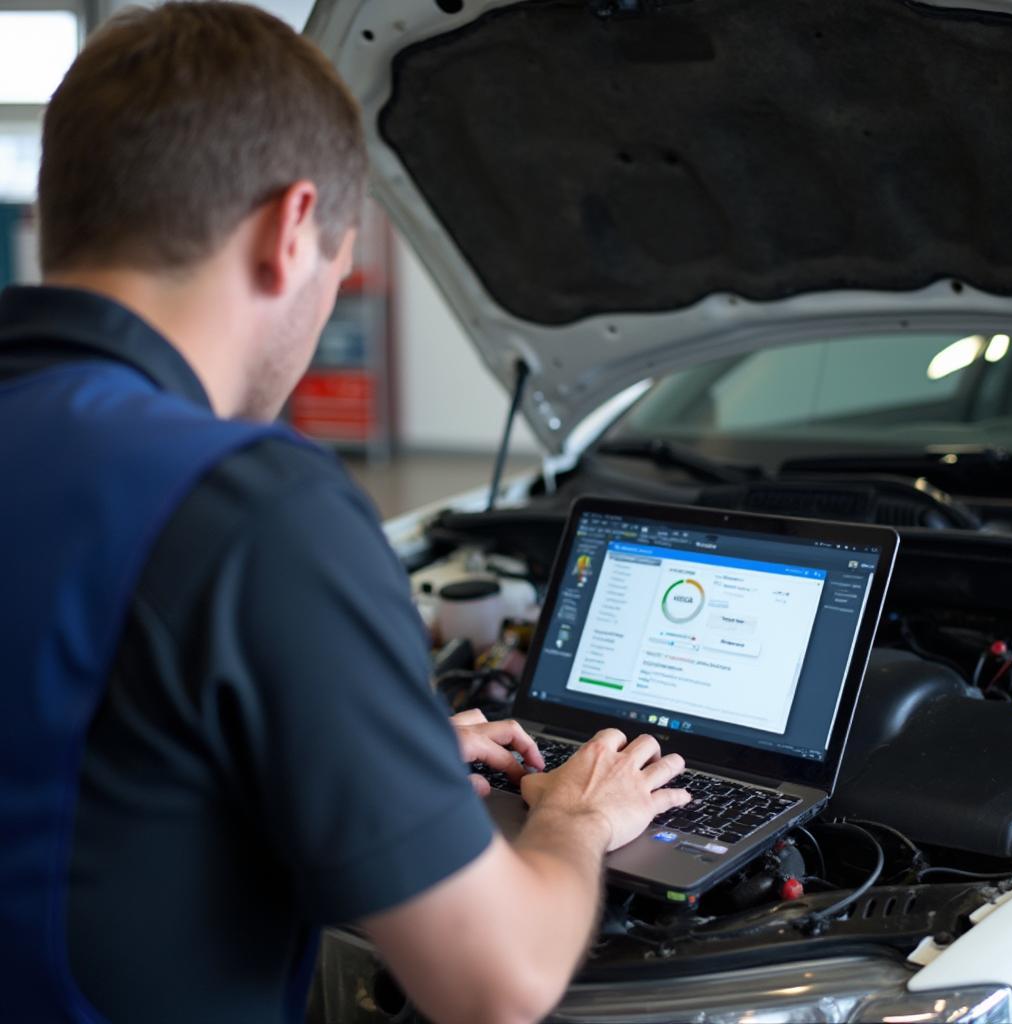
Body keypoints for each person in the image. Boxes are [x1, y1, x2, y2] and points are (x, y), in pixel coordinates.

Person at [0, 4, 691, 1023]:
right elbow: (496, 981)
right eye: (338, 260)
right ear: (291, 230)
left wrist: (370, 758)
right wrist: (580, 821)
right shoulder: (243, 501)